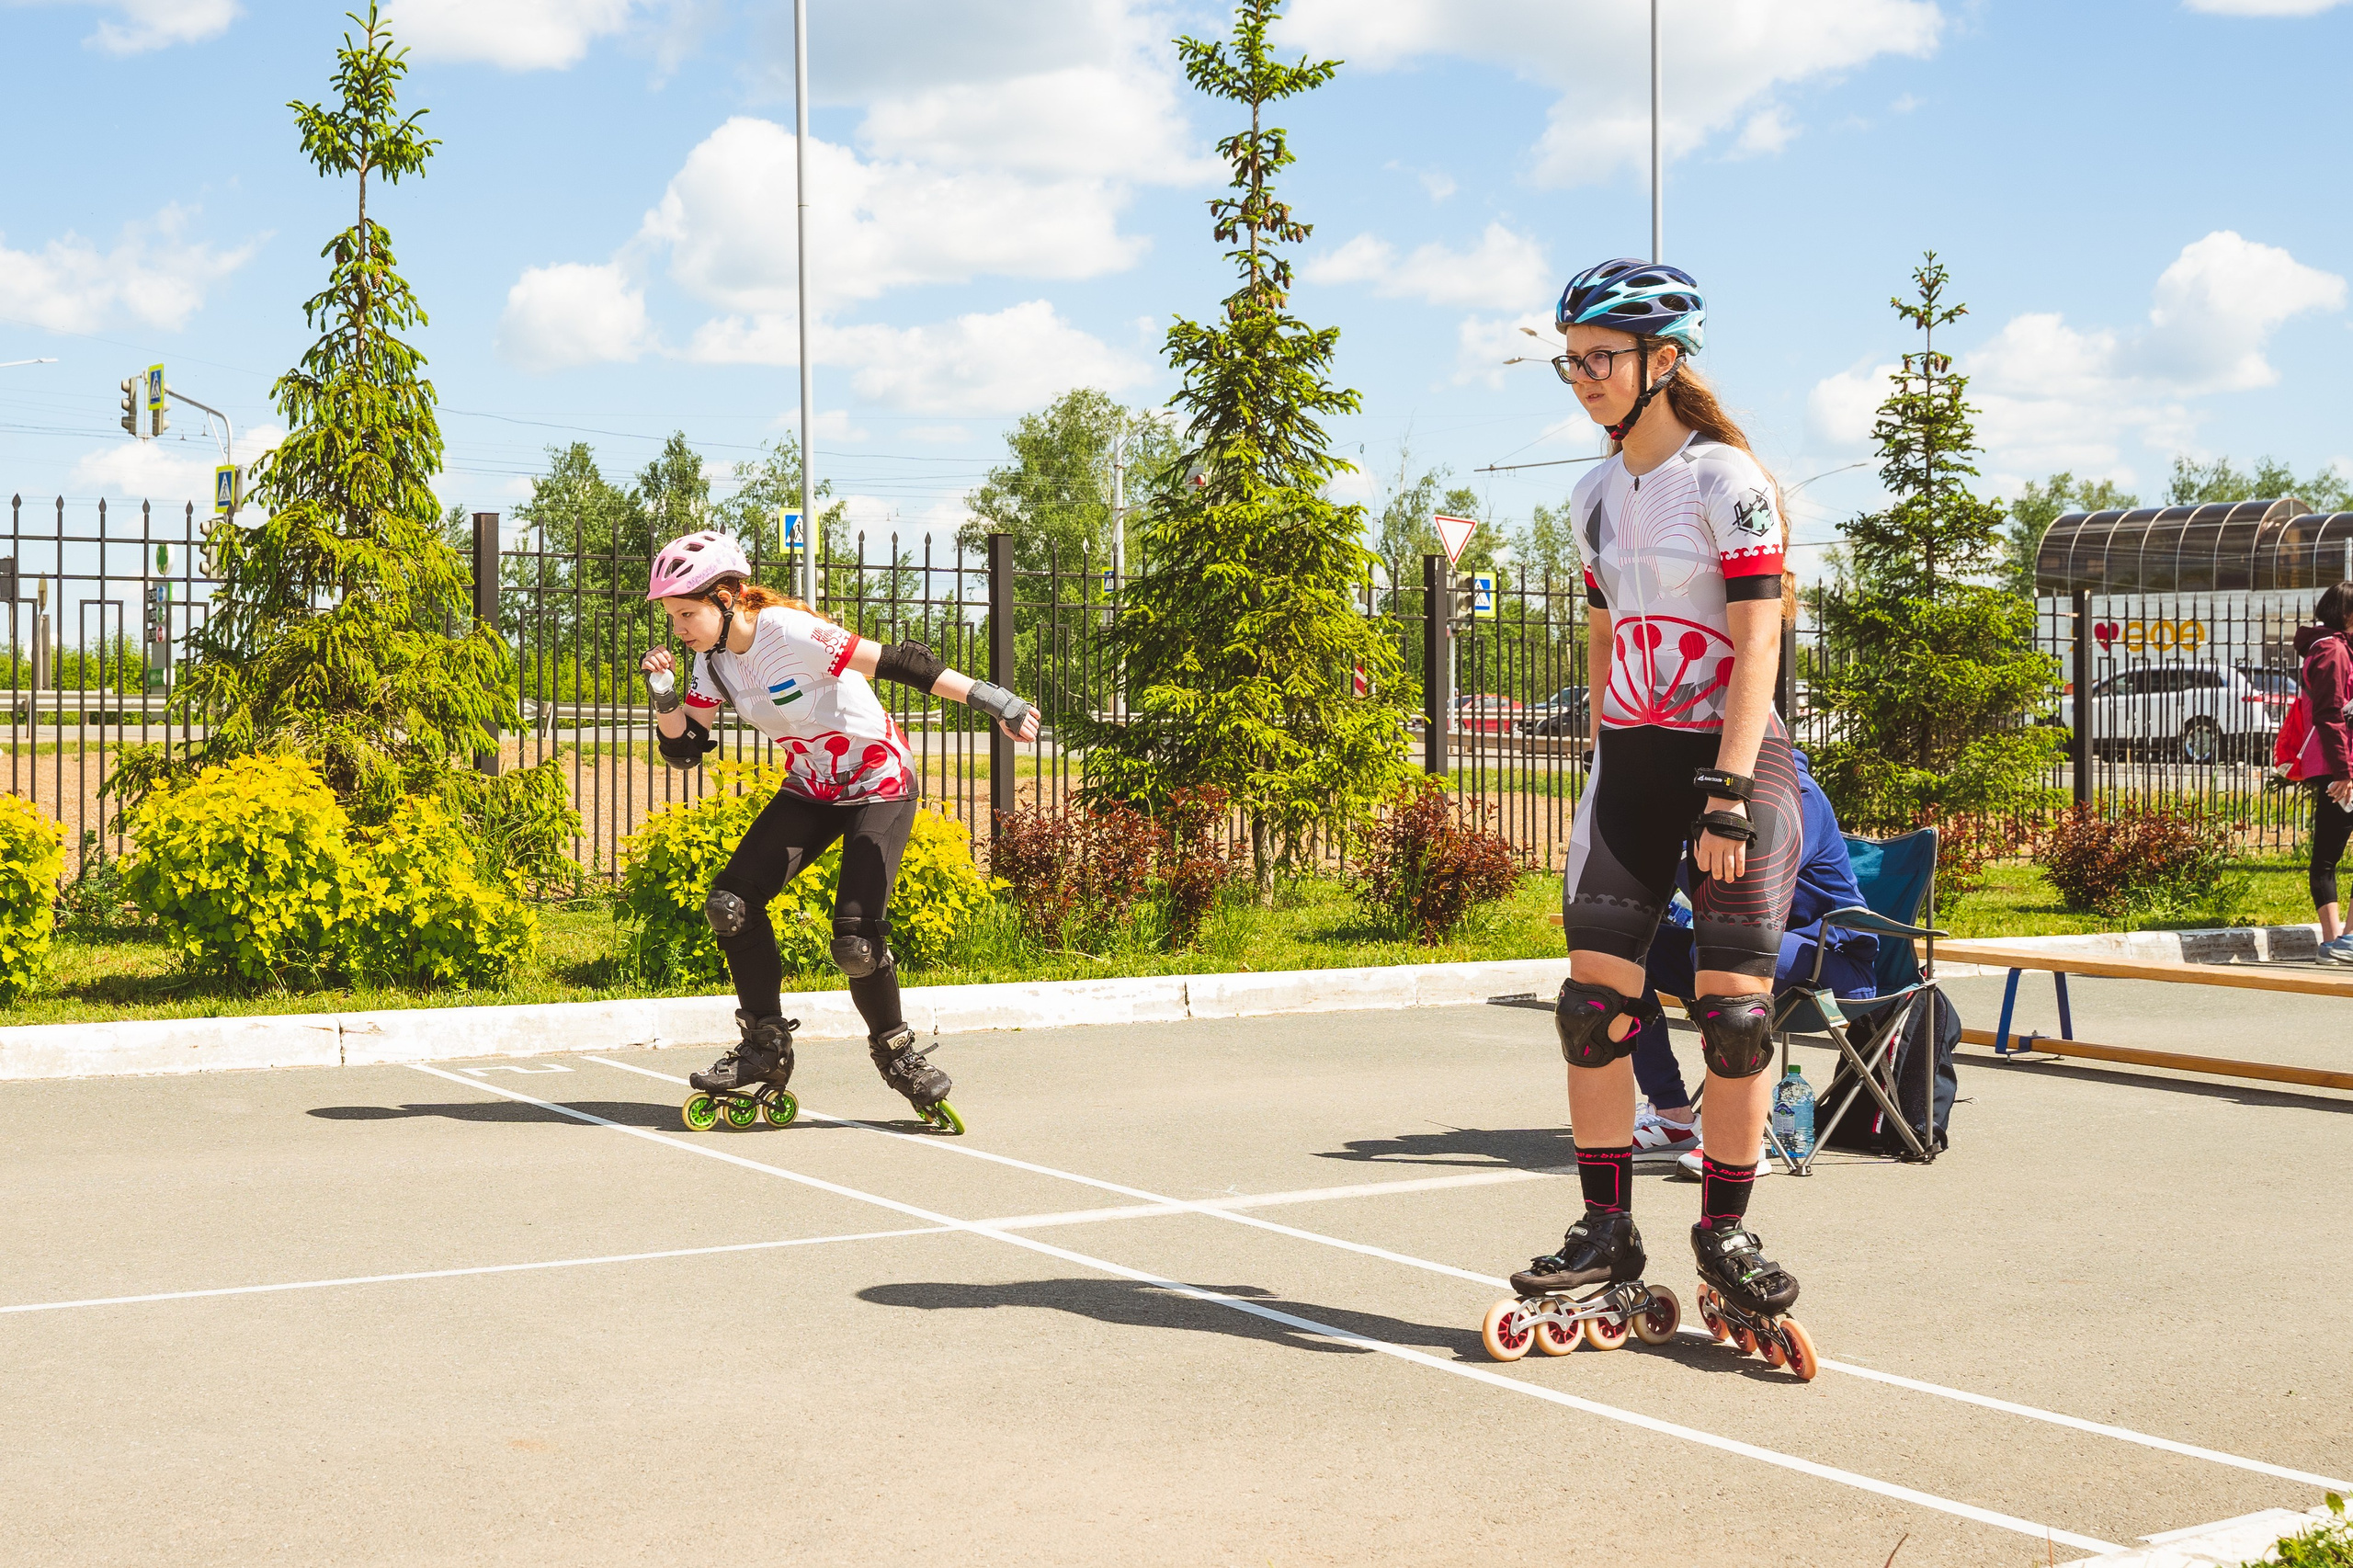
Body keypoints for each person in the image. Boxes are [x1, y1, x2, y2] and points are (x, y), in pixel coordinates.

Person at [1507, 257, 1809, 1332]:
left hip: (1731, 760)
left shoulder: (1726, 478)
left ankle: (1725, 1232)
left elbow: (1758, 640)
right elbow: (1602, 640)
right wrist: (1603, 770)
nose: (1583, 375)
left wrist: (1725, 792)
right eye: (1571, 360)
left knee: (1733, 1014)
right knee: (1593, 1007)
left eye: (1602, 356)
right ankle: (1606, 1228)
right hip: (1631, 762)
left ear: (1664, 360)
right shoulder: (1591, 496)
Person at [638, 531, 1040, 1118]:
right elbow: (685, 750)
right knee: (731, 904)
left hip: (879, 781)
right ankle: (765, 1047)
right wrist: (665, 694)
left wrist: (994, 700)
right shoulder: (711, 661)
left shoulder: (788, 631)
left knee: (856, 942)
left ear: (726, 599)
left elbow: (901, 662)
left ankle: (899, 1054)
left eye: (686, 613)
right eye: (672, 616)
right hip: (814, 786)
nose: (678, 628)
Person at [1621, 745, 1880, 1168]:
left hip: (1831, 960)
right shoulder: (1692, 800)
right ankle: (1672, 1113)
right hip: (1741, 953)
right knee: (1628, 956)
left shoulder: (1796, 794)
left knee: (1723, 952)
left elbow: (1752, 885)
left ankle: (1740, 1136)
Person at [2291, 583, 2353, 963]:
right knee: (2328, 852)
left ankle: (2340, 943)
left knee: (2328, 850)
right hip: (2339, 765)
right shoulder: (2332, 651)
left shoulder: (2336, 647)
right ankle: (2337, 943)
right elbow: (2330, 714)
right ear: (2346, 614)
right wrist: (2344, 772)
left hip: (2340, 764)